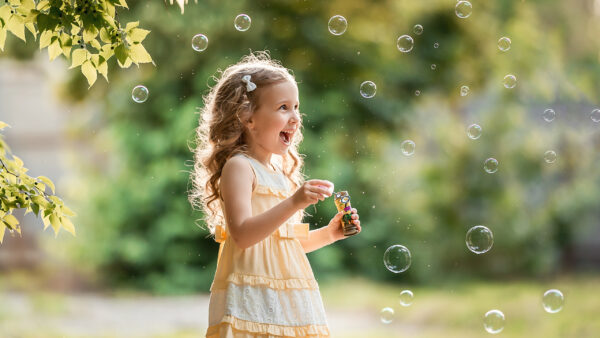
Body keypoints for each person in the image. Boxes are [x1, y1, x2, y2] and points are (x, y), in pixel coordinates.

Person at [190, 51, 361, 337]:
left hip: (286, 296)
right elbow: (243, 235)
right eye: (283, 107)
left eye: (296, 107)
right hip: (253, 298)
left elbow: (283, 243)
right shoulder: (240, 167)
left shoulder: (280, 173)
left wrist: (330, 234)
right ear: (247, 117)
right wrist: (295, 202)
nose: (295, 117)